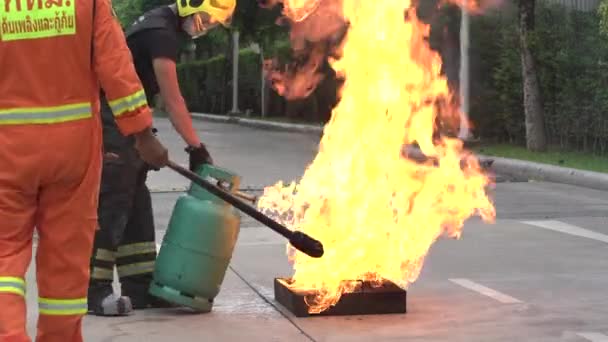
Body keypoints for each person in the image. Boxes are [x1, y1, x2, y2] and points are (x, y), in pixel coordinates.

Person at [0, 0, 169, 340]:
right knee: (65, 259)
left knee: (4, 254)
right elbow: (116, 68)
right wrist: (142, 135)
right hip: (72, 150)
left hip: (7, 148)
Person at [87, 0, 236, 316]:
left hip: (129, 120)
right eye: (206, 19)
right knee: (113, 202)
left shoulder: (161, 26)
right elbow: (172, 97)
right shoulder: (160, 32)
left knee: (136, 202)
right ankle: (94, 290)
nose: (205, 26)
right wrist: (195, 146)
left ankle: (140, 288)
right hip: (112, 120)